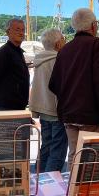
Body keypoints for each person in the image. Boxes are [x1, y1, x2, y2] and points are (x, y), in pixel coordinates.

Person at [49, 8, 99, 171]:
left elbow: (53, 84)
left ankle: (73, 193)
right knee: (94, 159)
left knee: (75, 155)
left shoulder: (64, 50)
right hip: (92, 117)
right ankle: (90, 195)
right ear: (93, 26)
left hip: (68, 115)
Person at [30, 28, 68, 172]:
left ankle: (37, 179)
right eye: (64, 39)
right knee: (57, 151)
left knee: (46, 147)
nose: (66, 41)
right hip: (56, 110)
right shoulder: (59, 60)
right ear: (58, 44)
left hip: (43, 110)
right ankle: (50, 187)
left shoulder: (39, 60)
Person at [0, 19, 30, 111]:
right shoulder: (4, 52)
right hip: (7, 105)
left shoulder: (18, 52)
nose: (21, 33)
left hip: (18, 104)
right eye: (17, 30)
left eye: (23, 30)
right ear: (8, 32)